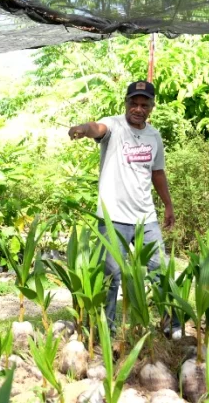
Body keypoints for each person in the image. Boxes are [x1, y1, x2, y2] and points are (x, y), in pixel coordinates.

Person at [67, 81, 181, 338]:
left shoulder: (154, 136)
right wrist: (82, 129)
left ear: (151, 107)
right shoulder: (115, 125)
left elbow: (158, 172)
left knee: (160, 271)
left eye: (144, 104)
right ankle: (107, 329)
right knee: (111, 275)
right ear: (126, 103)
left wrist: (168, 205)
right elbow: (97, 128)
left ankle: (170, 324)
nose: (138, 109)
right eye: (133, 103)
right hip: (113, 218)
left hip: (146, 218)